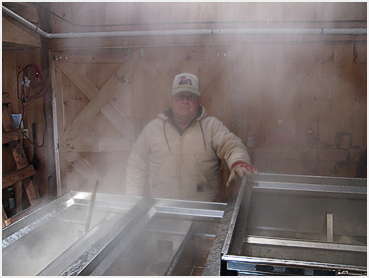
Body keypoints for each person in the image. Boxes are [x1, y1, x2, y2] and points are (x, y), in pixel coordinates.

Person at [126, 73, 258, 202]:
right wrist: (132, 201)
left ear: (199, 100)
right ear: (171, 100)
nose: (185, 101)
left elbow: (233, 146)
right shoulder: (152, 130)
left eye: (191, 96)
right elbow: (136, 167)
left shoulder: (212, 126)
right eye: (180, 96)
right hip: (161, 209)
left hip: (204, 210)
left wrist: (239, 162)